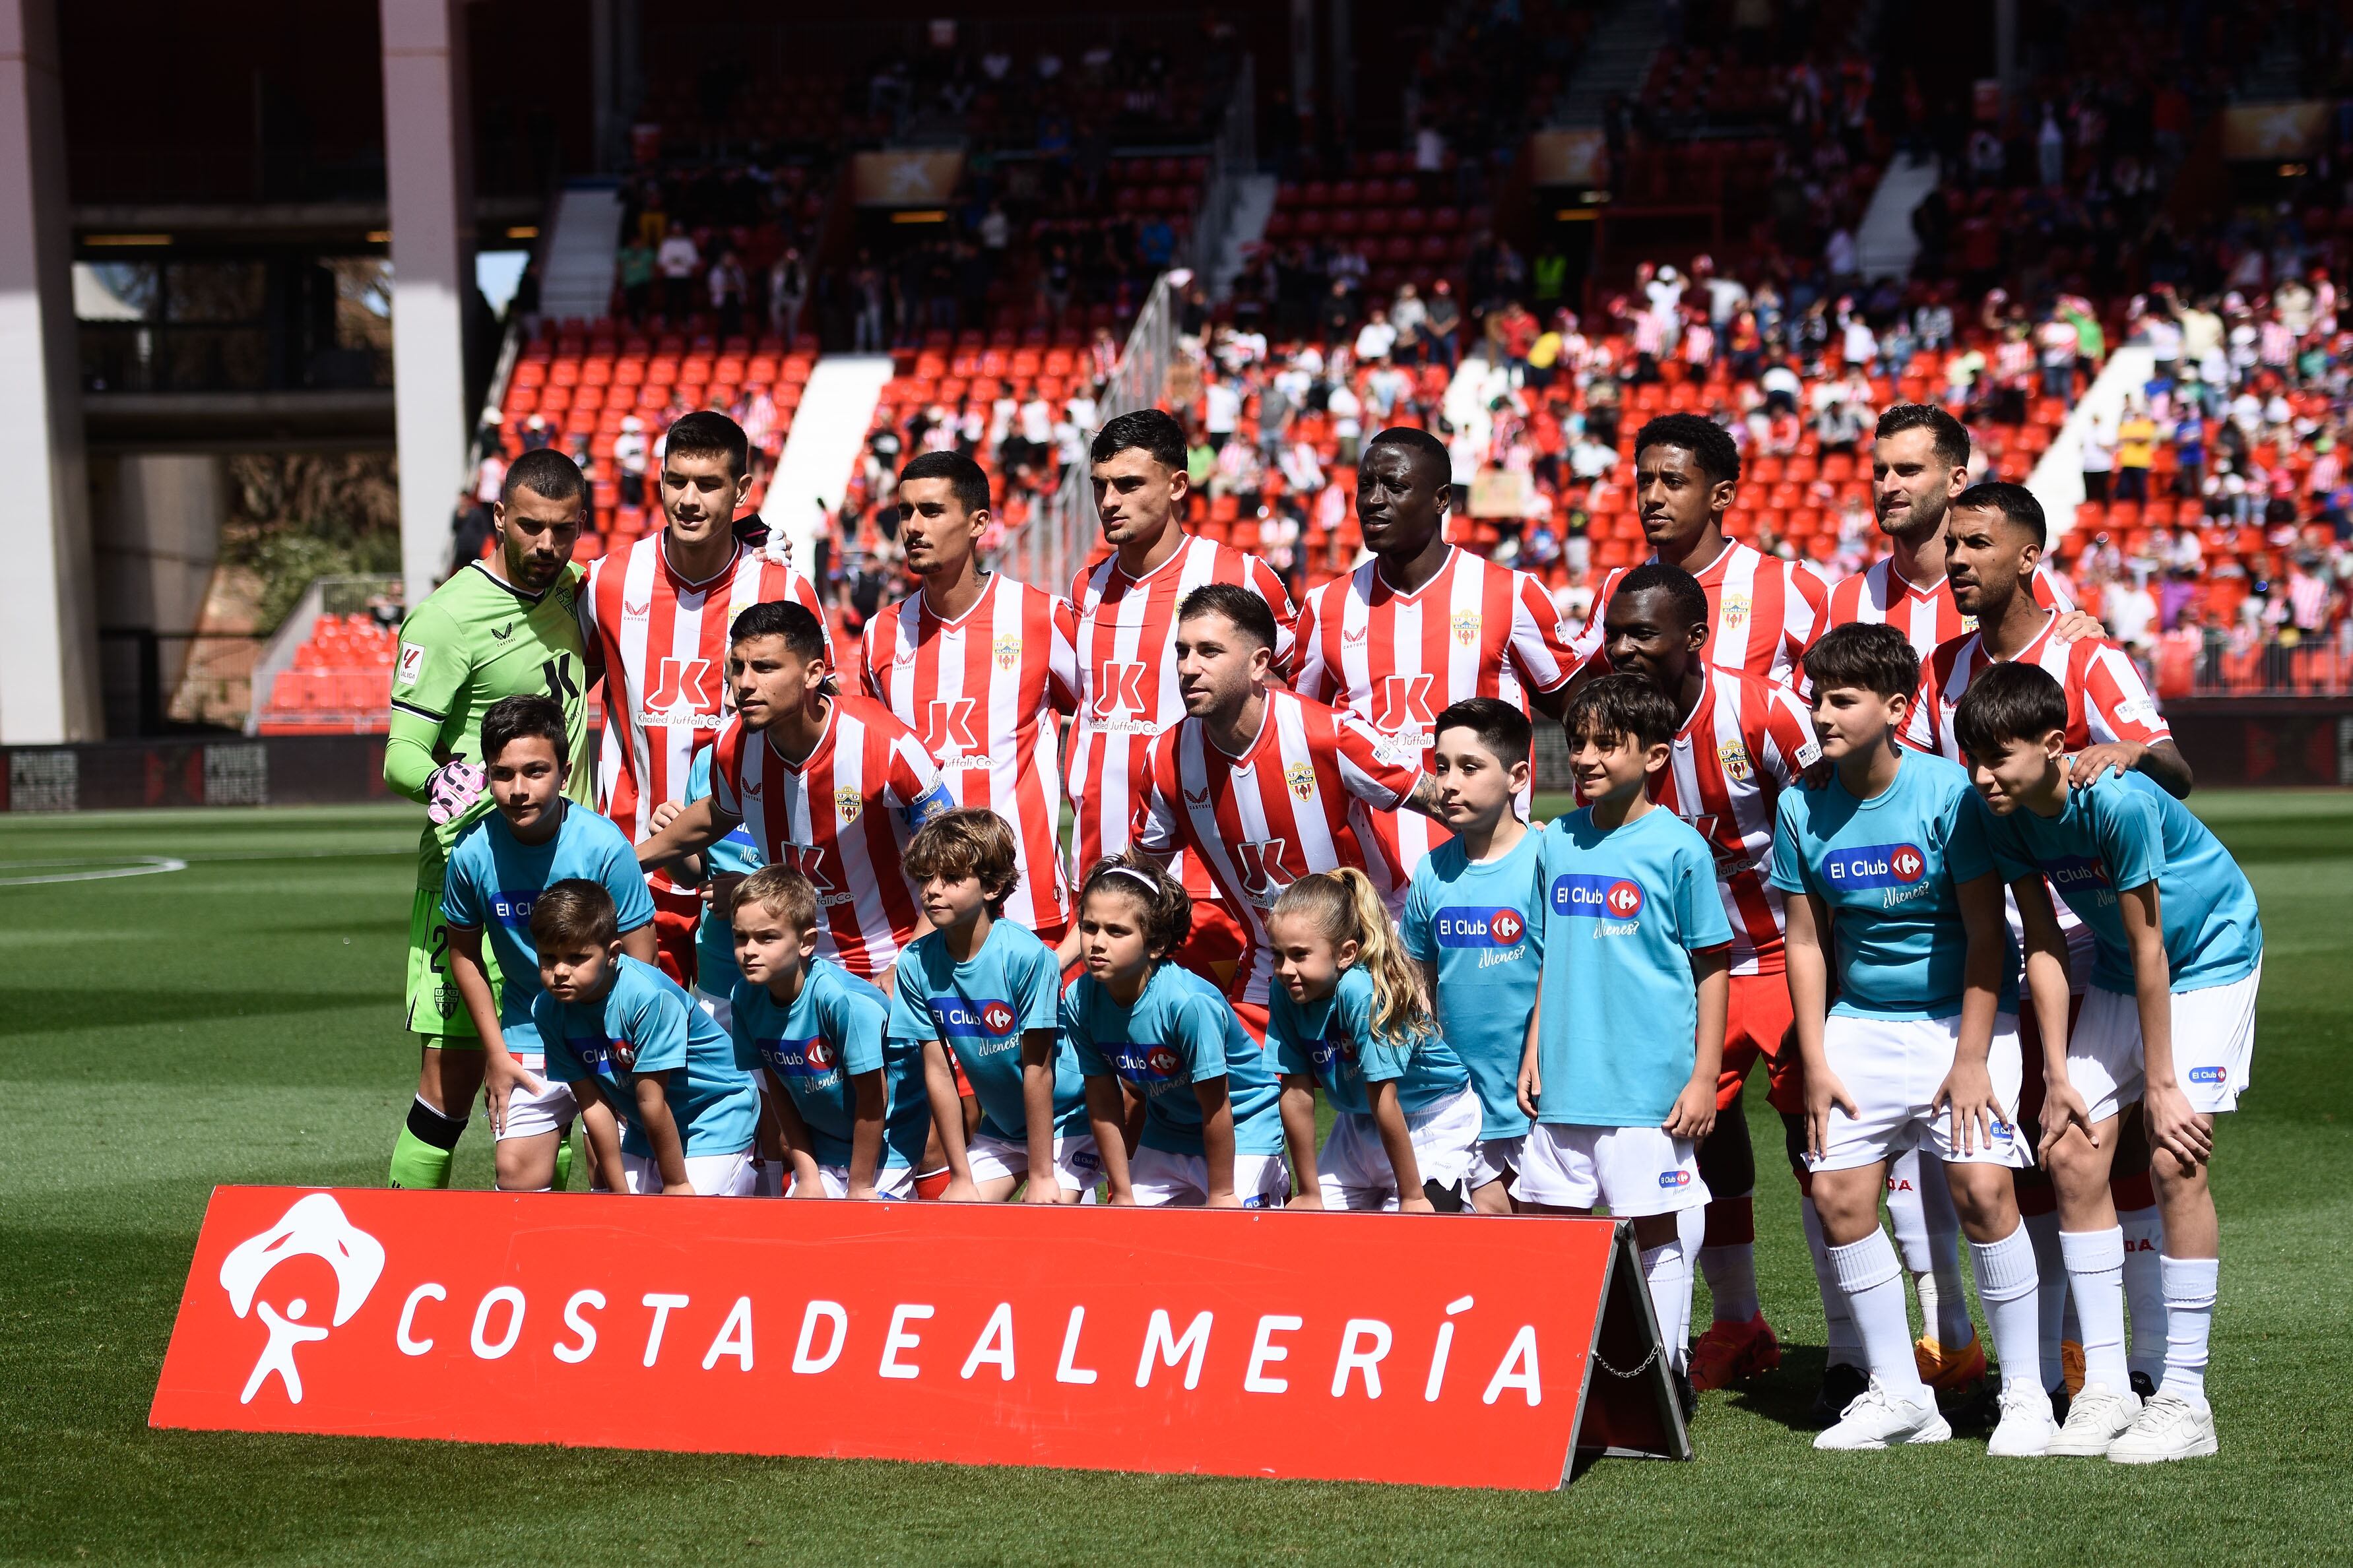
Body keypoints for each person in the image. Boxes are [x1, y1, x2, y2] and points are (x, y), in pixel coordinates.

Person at [1827, 406, 2104, 1393]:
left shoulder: (2014, 597)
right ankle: (1943, 1335)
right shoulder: (1844, 594)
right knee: (1917, 1140)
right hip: (1930, 910)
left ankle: (2073, 1350)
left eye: (1908, 468)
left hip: (2039, 910)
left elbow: (2060, 666)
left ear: (1954, 482)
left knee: (2042, 1143)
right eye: (1878, 469)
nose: (1888, 484)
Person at [1772, 623, 2067, 1457]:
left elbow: (1986, 934)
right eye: (1816, 698)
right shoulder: (1799, 804)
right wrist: (1814, 1059)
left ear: (1896, 708)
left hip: (1959, 1020)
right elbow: (1805, 939)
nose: (1821, 714)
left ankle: (2024, 1398)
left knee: (1983, 1193)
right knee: (1836, 1198)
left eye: (1842, 700)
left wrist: (1971, 1058)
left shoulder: (1948, 793)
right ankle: (1901, 1396)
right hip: (1858, 1022)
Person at [1958, 662, 2261, 1462]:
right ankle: (2104, 1387)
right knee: (2068, 1149)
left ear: (2053, 745)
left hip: (2209, 957)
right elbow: (2044, 943)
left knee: (2173, 1156)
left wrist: (2160, 1085)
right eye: (1972, 758)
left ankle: (2185, 1399)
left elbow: (2150, 943)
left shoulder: (2116, 802)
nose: (1982, 776)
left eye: (1998, 757)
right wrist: (2057, 1075)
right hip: (2127, 969)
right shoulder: (1997, 810)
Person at [1598, 562, 1848, 1400]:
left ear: (1694, 638)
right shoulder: (1611, 724)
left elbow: (1835, 816)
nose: (1624, 649)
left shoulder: (1760, 709)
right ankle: (1737, 1322)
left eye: (1644, 633)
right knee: (1690, 1135)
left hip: (1782, 954)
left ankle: (1849, 1342)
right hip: (1685, 972)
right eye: (1615, 633)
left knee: (1815, 1140)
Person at [1516, 674, 1731, 1408]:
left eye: (1606, 744)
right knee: (1549, 1229)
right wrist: (1533, 1050)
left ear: (1655, 756)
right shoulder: (1556, 840)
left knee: (1654, 1229)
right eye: (1577, 743)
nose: (1584, 758)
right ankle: (1563, 1381)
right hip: (1564, 1083)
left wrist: (1703, 1076)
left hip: (1647, 1087)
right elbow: (1549, 956)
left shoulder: (1680, 849)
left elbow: (1711, 966)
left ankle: (1663, 1375)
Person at [384, 448, 595, 1191]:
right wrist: (452, 786)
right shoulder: (446, 618)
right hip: (471, 884)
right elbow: (400, 756)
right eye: (531, 526)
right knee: (446, 1094)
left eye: (563, 529)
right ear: (500, 516)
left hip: (563, 883)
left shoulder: (574, 590)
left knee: (553, 1087)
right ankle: (403, 1246)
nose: (546, 544)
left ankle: (537, 1247)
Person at [582, 412, 829, 985]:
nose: (689, 500)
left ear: (741, 491)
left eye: (709, 484)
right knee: (639, 1036)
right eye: (677, 481)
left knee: (748, 1042)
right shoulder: (608, 582)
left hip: (750, 875)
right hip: (637, 863)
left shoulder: (783, 588)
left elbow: (823, 724)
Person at [1131, 583, 1444, 1036]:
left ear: (1259, 663)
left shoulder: (1329, 733)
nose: (1188, 668)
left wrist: (1523, 849)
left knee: (1389, 1078)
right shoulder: (1167, 757)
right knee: (1240, 1076)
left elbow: (1439, 798)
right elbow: (1140, 878)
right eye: (1182, 651)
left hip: (1370, 949)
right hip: (1271, 958)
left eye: (1209, 651)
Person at [1065, 409, 1297, 988]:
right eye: (1100, 485)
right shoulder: (1087, 587)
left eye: (1128, 484)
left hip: (1204, 881)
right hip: (1099, 868)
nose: (1109, 501)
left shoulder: (1240, 575)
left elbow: (1294, 692)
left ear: (1176, 484)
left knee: (1208, 1037)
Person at [1291, 427, 1580, 883]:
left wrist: (1579, 823)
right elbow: (1300, 733)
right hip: (1369, 890)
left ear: (1441, 499)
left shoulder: (1510, 595)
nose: (1374, 500)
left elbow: (1580, 710)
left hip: (1494, 876)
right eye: (1366, 485)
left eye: (1395, 486)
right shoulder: (1325, 607)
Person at [631, 600, 953, 986]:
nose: (745, 684)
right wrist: (629, 860)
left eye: (765, 667)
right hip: (794, 967)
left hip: (888, 963)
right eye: (738, 667)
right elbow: (716, 814)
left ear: (813, 673)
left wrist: (907, 963)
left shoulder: (886, 745)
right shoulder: (732, 744)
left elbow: (951, 858)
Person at [439, 696, 660, 1193]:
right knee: (516, 1173)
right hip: (527, 1033)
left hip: (609, 1036)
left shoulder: (605, 847)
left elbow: (643, 957)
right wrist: (497, 1054)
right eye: (503, 774)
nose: (518, 789)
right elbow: (464, 954)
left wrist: (631, 1049)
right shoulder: (472, 852)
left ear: (564, 773)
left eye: (535, 771)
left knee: (613, 1172)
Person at [862, 452, 1080, 940]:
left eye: (932, 511)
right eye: (905, 512)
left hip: (1026, 909)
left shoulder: (1040, 618)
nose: (913, 527)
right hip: (922, 914)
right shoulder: (881, 634)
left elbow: (1094, 718)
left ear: (979, 522)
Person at [890, 810, 1097, 1203]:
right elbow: (938, 1073)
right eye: (925, 878)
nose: (932, 890)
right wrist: (960, 1177)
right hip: (1003, 1129)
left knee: (1045, 1216)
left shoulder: (1026, 956)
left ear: (992, 886)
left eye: (951, 878)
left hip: (1070, 1122)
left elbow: (1038, 1070)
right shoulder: (915, 963)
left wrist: (1042, 1176)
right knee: (953, 1218)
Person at [1064, 856, 1291, 1207]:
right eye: (1089, 927)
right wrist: (1122, 1192)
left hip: (1242, 1126)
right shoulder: (1080, 999)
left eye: (1117, 931)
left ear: (1156, 945)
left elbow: (1216, 1104)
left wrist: (1221, 1193)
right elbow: (1103, 1101)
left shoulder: (1188, 1004)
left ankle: (1273, 1179)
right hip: (1168, 1131)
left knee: (1234, 1233)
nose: (1097, 942)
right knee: (1128, 1232)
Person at [1400, 699, 1545, 1214]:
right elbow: (1419, 982)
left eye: (1469, 767)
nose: (1448, 783)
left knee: (1545, 1245)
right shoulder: (1431, 870)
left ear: (1518, 777)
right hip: (1459, 1109)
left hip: (1540, 1103)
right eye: (1442, 767)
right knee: (1480, 1242)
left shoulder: (1548, 860)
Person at [532, 880, 762, 1196]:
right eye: (548, 957)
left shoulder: (647, 997)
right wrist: (619, 1194)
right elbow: (594, 1106)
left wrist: (676, 1184)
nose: (560, 971)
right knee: (616, 1213)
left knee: (688, 1215)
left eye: (576, 957)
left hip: (715, 1115)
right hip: (647, 1128)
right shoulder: (547, 1009)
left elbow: (651, 1101)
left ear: (613, 954)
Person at [1270, 869, 1479, 1212]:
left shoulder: (1361, 991)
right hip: (1360, 1119)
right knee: (1314, 1230)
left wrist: (1412, 1197)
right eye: (1278, 955)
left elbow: (1384, 1095)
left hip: (1432, 1116)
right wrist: (1308, 1192)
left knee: (1414, 1232)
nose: (1285, 969)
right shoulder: (1285, 990)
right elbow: (1295, 1092)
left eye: (1300, 954)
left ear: (1346, 953)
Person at [1568, 414, 1828, 687]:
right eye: (1645, 481)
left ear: (1721, 496)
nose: (1652, 497)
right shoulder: (1618, 590)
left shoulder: (1788, 586)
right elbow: (1575, 687)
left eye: (1673, 482)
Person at [727, 864, 928, 1198]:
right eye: (740, 937)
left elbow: (873, 1099)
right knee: (802, 1225)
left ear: (806, 943)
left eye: (767, 938)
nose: (749, 950)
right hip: (823, 1144)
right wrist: (808, 1176)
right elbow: (778, 1087)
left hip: (886, 1144)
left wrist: (860, 1186)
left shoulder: (841, 1001)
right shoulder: (744, 998)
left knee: (864, 1226)